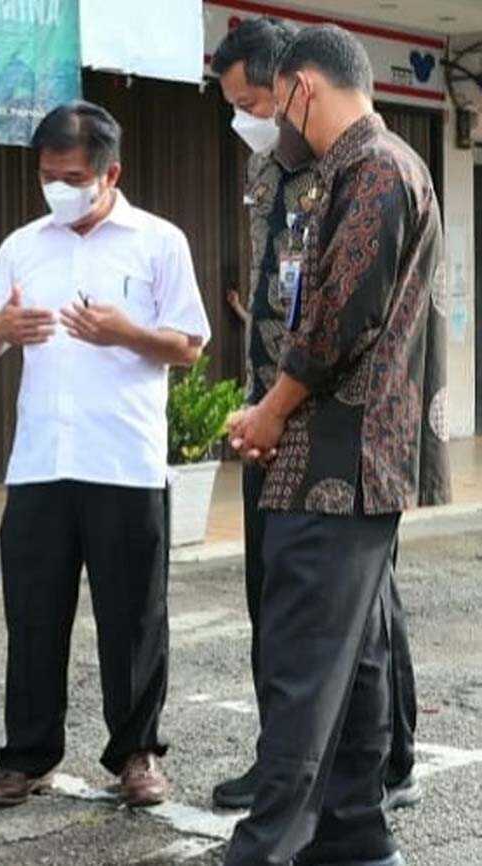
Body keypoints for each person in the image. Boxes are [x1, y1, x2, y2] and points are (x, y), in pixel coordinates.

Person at [225, 24, 449, 866]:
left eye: (272, 103)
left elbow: (335, 323)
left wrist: (270, 412)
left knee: (303, 669)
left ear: (303, 89)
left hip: (336, 461)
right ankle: (355, 834)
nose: (273, 122)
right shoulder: (365, 170)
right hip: (346, 463)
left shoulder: (376, 169)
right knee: (354, 665)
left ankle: (267, 848)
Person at [0, 101, 211, 810]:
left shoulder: (159, 242)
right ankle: (26, 757)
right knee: (33, 617)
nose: (58, 189)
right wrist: (1, 329)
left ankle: (136, 754)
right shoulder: (23, 246)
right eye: (48, 176)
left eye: (72, 177)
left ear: (110, 174)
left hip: (124, 462)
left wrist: (126, 333)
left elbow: (189, 345)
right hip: (41, 464)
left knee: (133, 619)